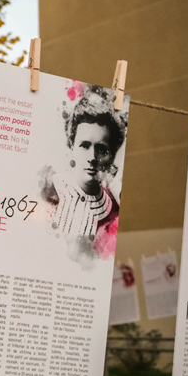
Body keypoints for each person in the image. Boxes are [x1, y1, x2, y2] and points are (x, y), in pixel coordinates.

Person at [41, 85, 125, 262]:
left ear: (111, 156)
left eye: (102, 150)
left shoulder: (113, 213)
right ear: (72, 145)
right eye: (85, 145)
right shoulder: (48, 192)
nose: (92, 157)